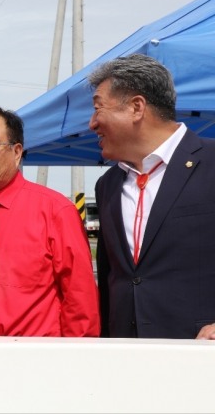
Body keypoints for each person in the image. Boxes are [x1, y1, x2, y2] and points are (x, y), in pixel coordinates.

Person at [0, 104, 99, 336]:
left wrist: (76, 354)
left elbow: (79, 298)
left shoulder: (55, 210)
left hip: (33, 355)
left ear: (16, 152)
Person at [87, 53, 215, 339]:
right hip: (126, 356)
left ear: (136, 107)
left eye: (97, 109)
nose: (92, 124)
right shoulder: (108, 185)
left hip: (201, 356)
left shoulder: (211, 162)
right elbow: (112, 279)